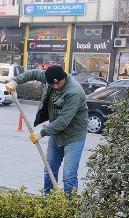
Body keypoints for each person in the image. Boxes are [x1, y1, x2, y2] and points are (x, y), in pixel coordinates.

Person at [6, 65, 88, 195]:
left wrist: (41, 133)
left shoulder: (74, 92)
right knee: (49, 169)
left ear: (64, 78)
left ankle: (70, 207)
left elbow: (63, 121)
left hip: (73, 137)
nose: (55, 86)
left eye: (58, 83)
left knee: (68, 175)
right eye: (52, 84)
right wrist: (16, 81)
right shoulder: (49, 78)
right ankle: (49, 200)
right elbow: (32, 73)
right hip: (56, 133)